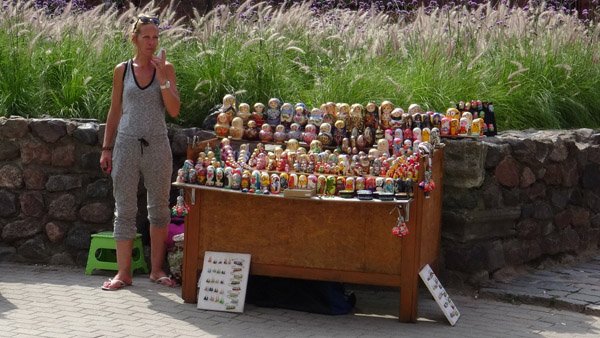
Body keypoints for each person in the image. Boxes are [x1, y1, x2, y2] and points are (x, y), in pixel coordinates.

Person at [99, 14, 181, 290]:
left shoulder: (166, 68)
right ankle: (124, 274)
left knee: (159, 208)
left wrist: (162, 79)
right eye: (146, 36)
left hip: (157, 144)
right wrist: (106, 147)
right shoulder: (122, 69)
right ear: (134, 39)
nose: (152, 41)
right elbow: (115, 110)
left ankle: (157, 270)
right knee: (124, 208)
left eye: (156, 36)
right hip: (126, 143)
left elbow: (174, 110)